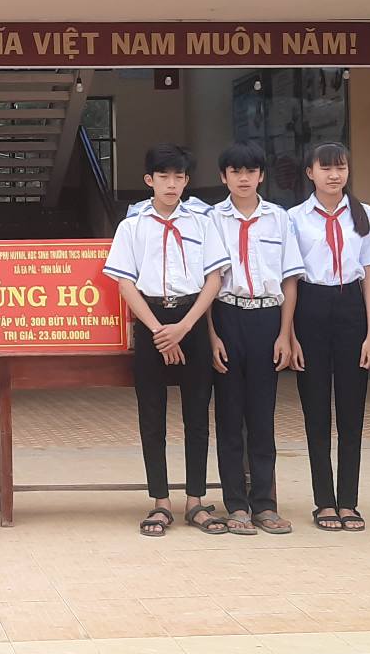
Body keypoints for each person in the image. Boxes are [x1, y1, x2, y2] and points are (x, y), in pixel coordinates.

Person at [105, 144, 230, 537]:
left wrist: (184, 328)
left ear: (187, 180)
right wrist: (160, 331)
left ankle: (195, 500)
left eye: (179, 176)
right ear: (149, 180)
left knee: (197, 415)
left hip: (191, 320)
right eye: (163, 176)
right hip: (151, 322)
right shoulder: (132, 226)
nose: (171, 184)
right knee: (151, 415)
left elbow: (214, 279)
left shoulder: (202, 222)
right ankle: (160, 501)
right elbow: (125, 282)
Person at [203, 140, 302, 537]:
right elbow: (207, 283)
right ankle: (236, 505)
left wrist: (285, 334)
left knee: (262, 416)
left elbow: (290, 280)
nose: (243, 178)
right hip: (226, 316)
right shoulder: (211, 219)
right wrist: (212, 336)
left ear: (261, 176)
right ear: (223, 176)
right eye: (235, 172)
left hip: (267, 318)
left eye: (250, 171)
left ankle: (264, 503)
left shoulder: (279, 219)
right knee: (229, 417)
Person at [286, 142, 370, 534]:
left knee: (351, 410)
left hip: (351, 311)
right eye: (325, 168)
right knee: (315, 410)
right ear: (310, 172)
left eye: (340, 167)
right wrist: (290, 333)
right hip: (310, 307)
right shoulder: (294, 218)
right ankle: (324, 501)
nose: (334, 175)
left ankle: (348, 501)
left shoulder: (364, 215)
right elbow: (290, 279)